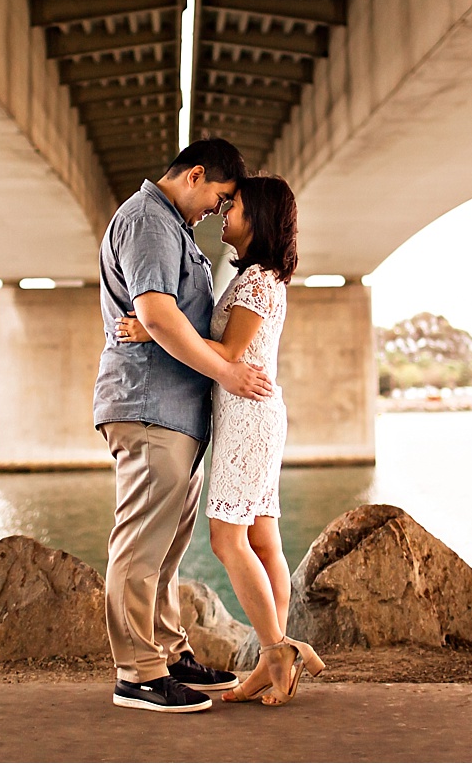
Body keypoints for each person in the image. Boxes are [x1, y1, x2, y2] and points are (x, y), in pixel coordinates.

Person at [117, 175, 324, 706]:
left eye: (232, 207)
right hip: (251, 413)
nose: (223, 213)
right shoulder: (260, 277)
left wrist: (150, 330)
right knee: (262, 541)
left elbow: (230, 354)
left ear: (255, 218)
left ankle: (276, 651)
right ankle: (270, 661)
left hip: (246, 416)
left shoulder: (257, 283)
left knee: (227, 541)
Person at [94, 139, 274, 713]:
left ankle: (168, 655)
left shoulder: (175, 229)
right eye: (219, 198)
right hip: (149, 405)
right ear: (195, 175)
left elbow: (175, 319)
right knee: (142, 545)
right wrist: (227, 370)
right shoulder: (149, 220)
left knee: (167, 548)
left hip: (176, 411)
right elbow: (157, 313)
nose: (217, 212)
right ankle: (138, 674)